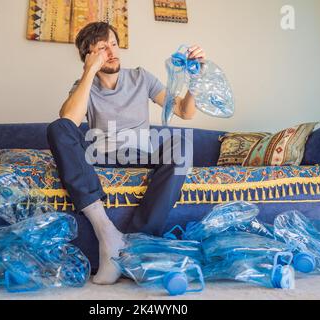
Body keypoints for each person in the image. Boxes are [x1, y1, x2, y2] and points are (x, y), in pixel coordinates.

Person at [47, 22, 206, 285]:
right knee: (58, 129)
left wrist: (195, 78)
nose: (111, 51)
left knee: (182, 143)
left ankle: (135, 244)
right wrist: (89, 72)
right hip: (101, 155)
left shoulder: (141, 77)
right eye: (101, 48)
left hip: (141, 153)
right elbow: (69, 120)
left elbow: (185, 112)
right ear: (89, 55)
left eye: (113, 44)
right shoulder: (83, 85)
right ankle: (107, 233)